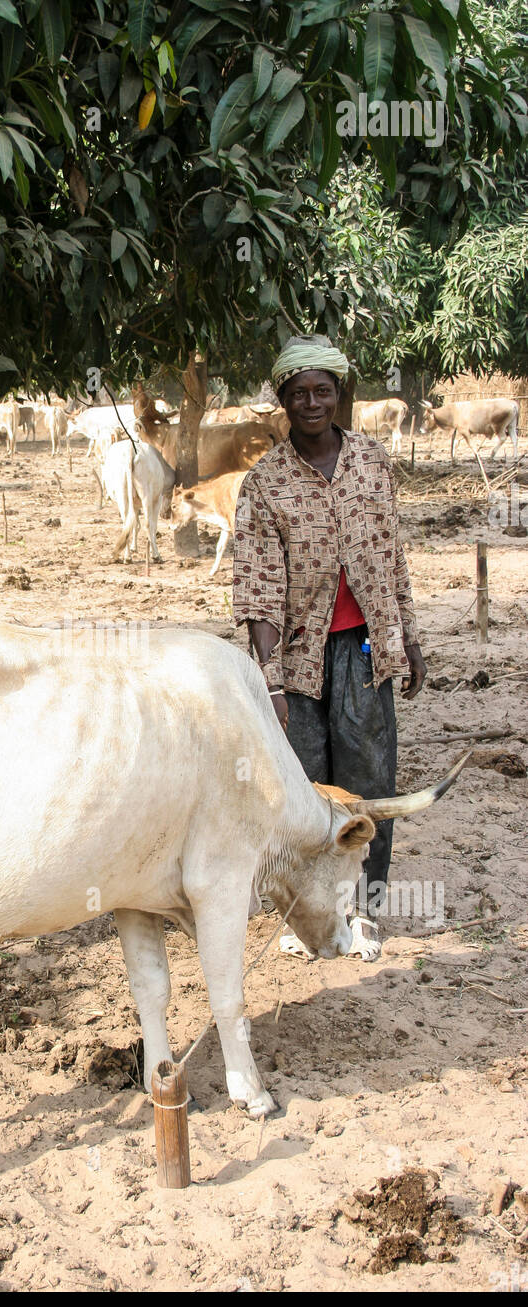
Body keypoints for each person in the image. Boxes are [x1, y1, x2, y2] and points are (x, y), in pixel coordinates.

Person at [232, 336, 426, 960]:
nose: (311, 403)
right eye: (298, 393)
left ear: (339, 394)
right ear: (283, 400)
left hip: (368, 651)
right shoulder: (264, 484)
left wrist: (412, 640)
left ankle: (367, 911)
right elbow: (258, 586)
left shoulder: (372, 462)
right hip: (297, 659)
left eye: (322, 391)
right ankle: (309, 916)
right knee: (306, 791)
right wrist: (270, 680)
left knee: (368, 782)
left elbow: (393, 559)